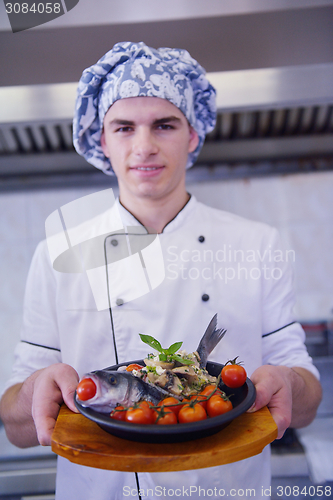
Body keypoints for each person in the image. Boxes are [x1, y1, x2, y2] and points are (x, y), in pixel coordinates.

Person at [0, 42, 322, 499]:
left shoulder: (256, 244)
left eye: (164, 125)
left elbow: (306, 401)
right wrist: (34, 388)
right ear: (102, 140)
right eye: (124, 127)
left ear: (192, 135)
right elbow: (15, 426)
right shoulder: (59, 252)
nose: (144, 146)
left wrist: (290, 380)